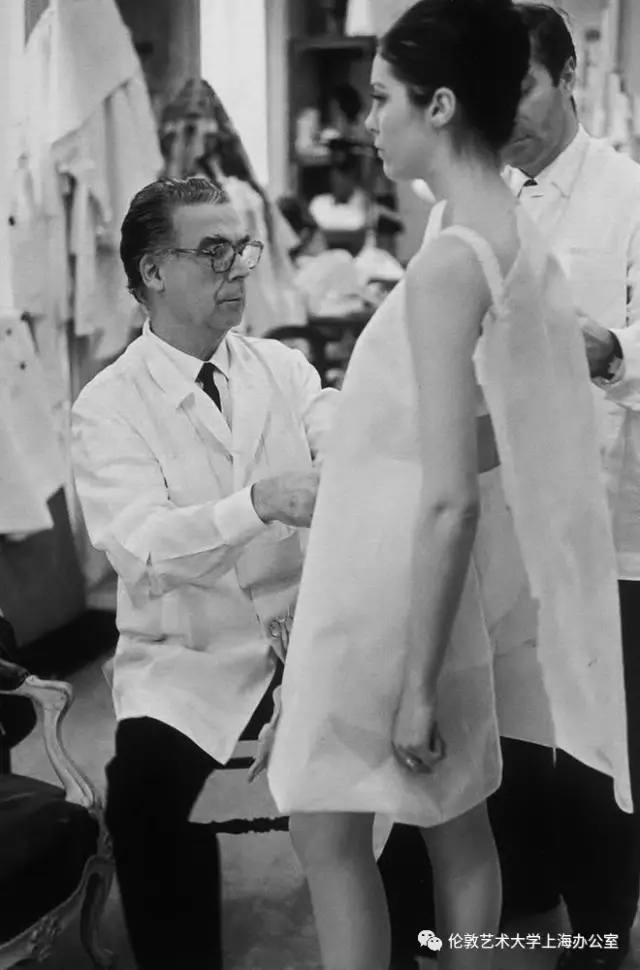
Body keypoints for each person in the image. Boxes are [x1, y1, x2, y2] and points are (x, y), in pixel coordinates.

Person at [267, 4, 629, 970]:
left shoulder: (452, 262)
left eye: (381, 96)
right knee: (454, 818)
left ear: (438, 104)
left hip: (388, 578)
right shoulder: (508, 235)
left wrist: (419, 684)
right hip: (425, 569)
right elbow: (501, 438)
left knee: (328, 830)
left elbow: (451, 493)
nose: (368, 121)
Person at [71, 176, 338, 970]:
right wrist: (258, 503)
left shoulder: (282, 368)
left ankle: (404, 931)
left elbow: (346, 444)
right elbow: (143, 550)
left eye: (241, 248)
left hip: (311, 639)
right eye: (213, 251)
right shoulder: (108, 405)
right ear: (153, 271)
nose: (239, 269)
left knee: (410, 747)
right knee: (144, 791)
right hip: (191, 654)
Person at [499, 5, 640, 967]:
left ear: (566, 75)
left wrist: (608, 347)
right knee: (519, 732)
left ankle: (601, 933)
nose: (503, 110)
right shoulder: (472, 203)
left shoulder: (629, 195)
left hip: (608, 517)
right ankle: (527, 902)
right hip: (504, 513)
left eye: (521, 86)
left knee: (602, 748)